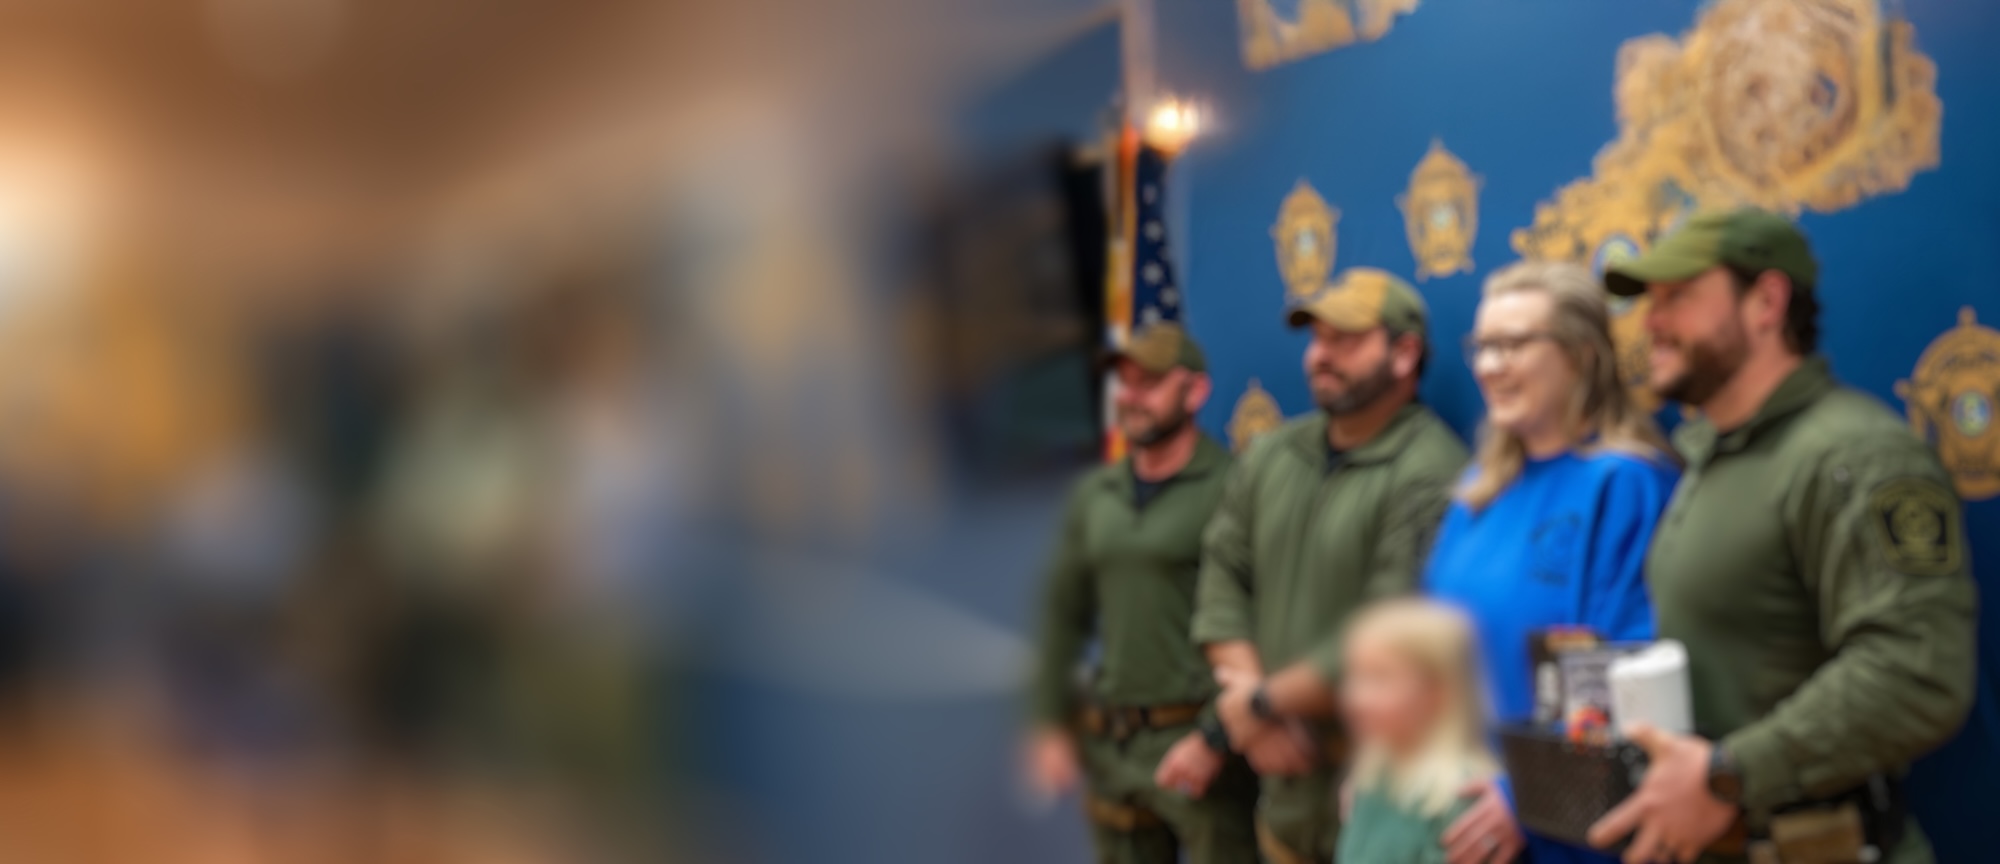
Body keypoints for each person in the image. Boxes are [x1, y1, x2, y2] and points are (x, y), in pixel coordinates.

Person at [1584, 209, 1976, 864]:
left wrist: (1730, 775)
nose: (1650, 322)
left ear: (1766, 302)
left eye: (1678, 297)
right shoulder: (1710, 456)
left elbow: (1916, 674)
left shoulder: (1853, 454)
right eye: (1650, 300)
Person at [1193, 267, 1468, 863]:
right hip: (1282, 793)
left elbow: (1387, 632)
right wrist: (1254, 708)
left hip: (1378, 798)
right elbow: (1222, 576)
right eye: (1317, 339)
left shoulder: (1431, 469)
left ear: (1404, 353)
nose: (1320, 355)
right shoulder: (1272, 453)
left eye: (1346, 340)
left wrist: (1259, 705)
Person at [1423, 261, 1681, 864]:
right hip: (1458, 819)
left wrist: (1522, 797)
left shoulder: (1624, 484)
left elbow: (1627, 675)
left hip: (1567, 834)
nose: (1490, 366)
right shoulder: (1477, 493)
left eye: (1513, 345)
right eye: (1482, 347)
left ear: (1582, 355)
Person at [1024, 322, 1258, 864]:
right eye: (1124, 382)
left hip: (1199, 745)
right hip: (1114, 745)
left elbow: (1263, 621)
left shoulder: (1234, 488)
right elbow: (1063, 612)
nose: (1130, 397)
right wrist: (1048, 721)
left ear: (1195, 392)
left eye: (1149, 383)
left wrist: (1216, 737)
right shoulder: (1097, 494)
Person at [1336, 599, 1500, 864]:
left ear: (1439, 691)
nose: (1356, 697)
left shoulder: (1461, 800)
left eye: (1379, 678)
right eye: (1354, 675)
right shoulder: (1369, 780)